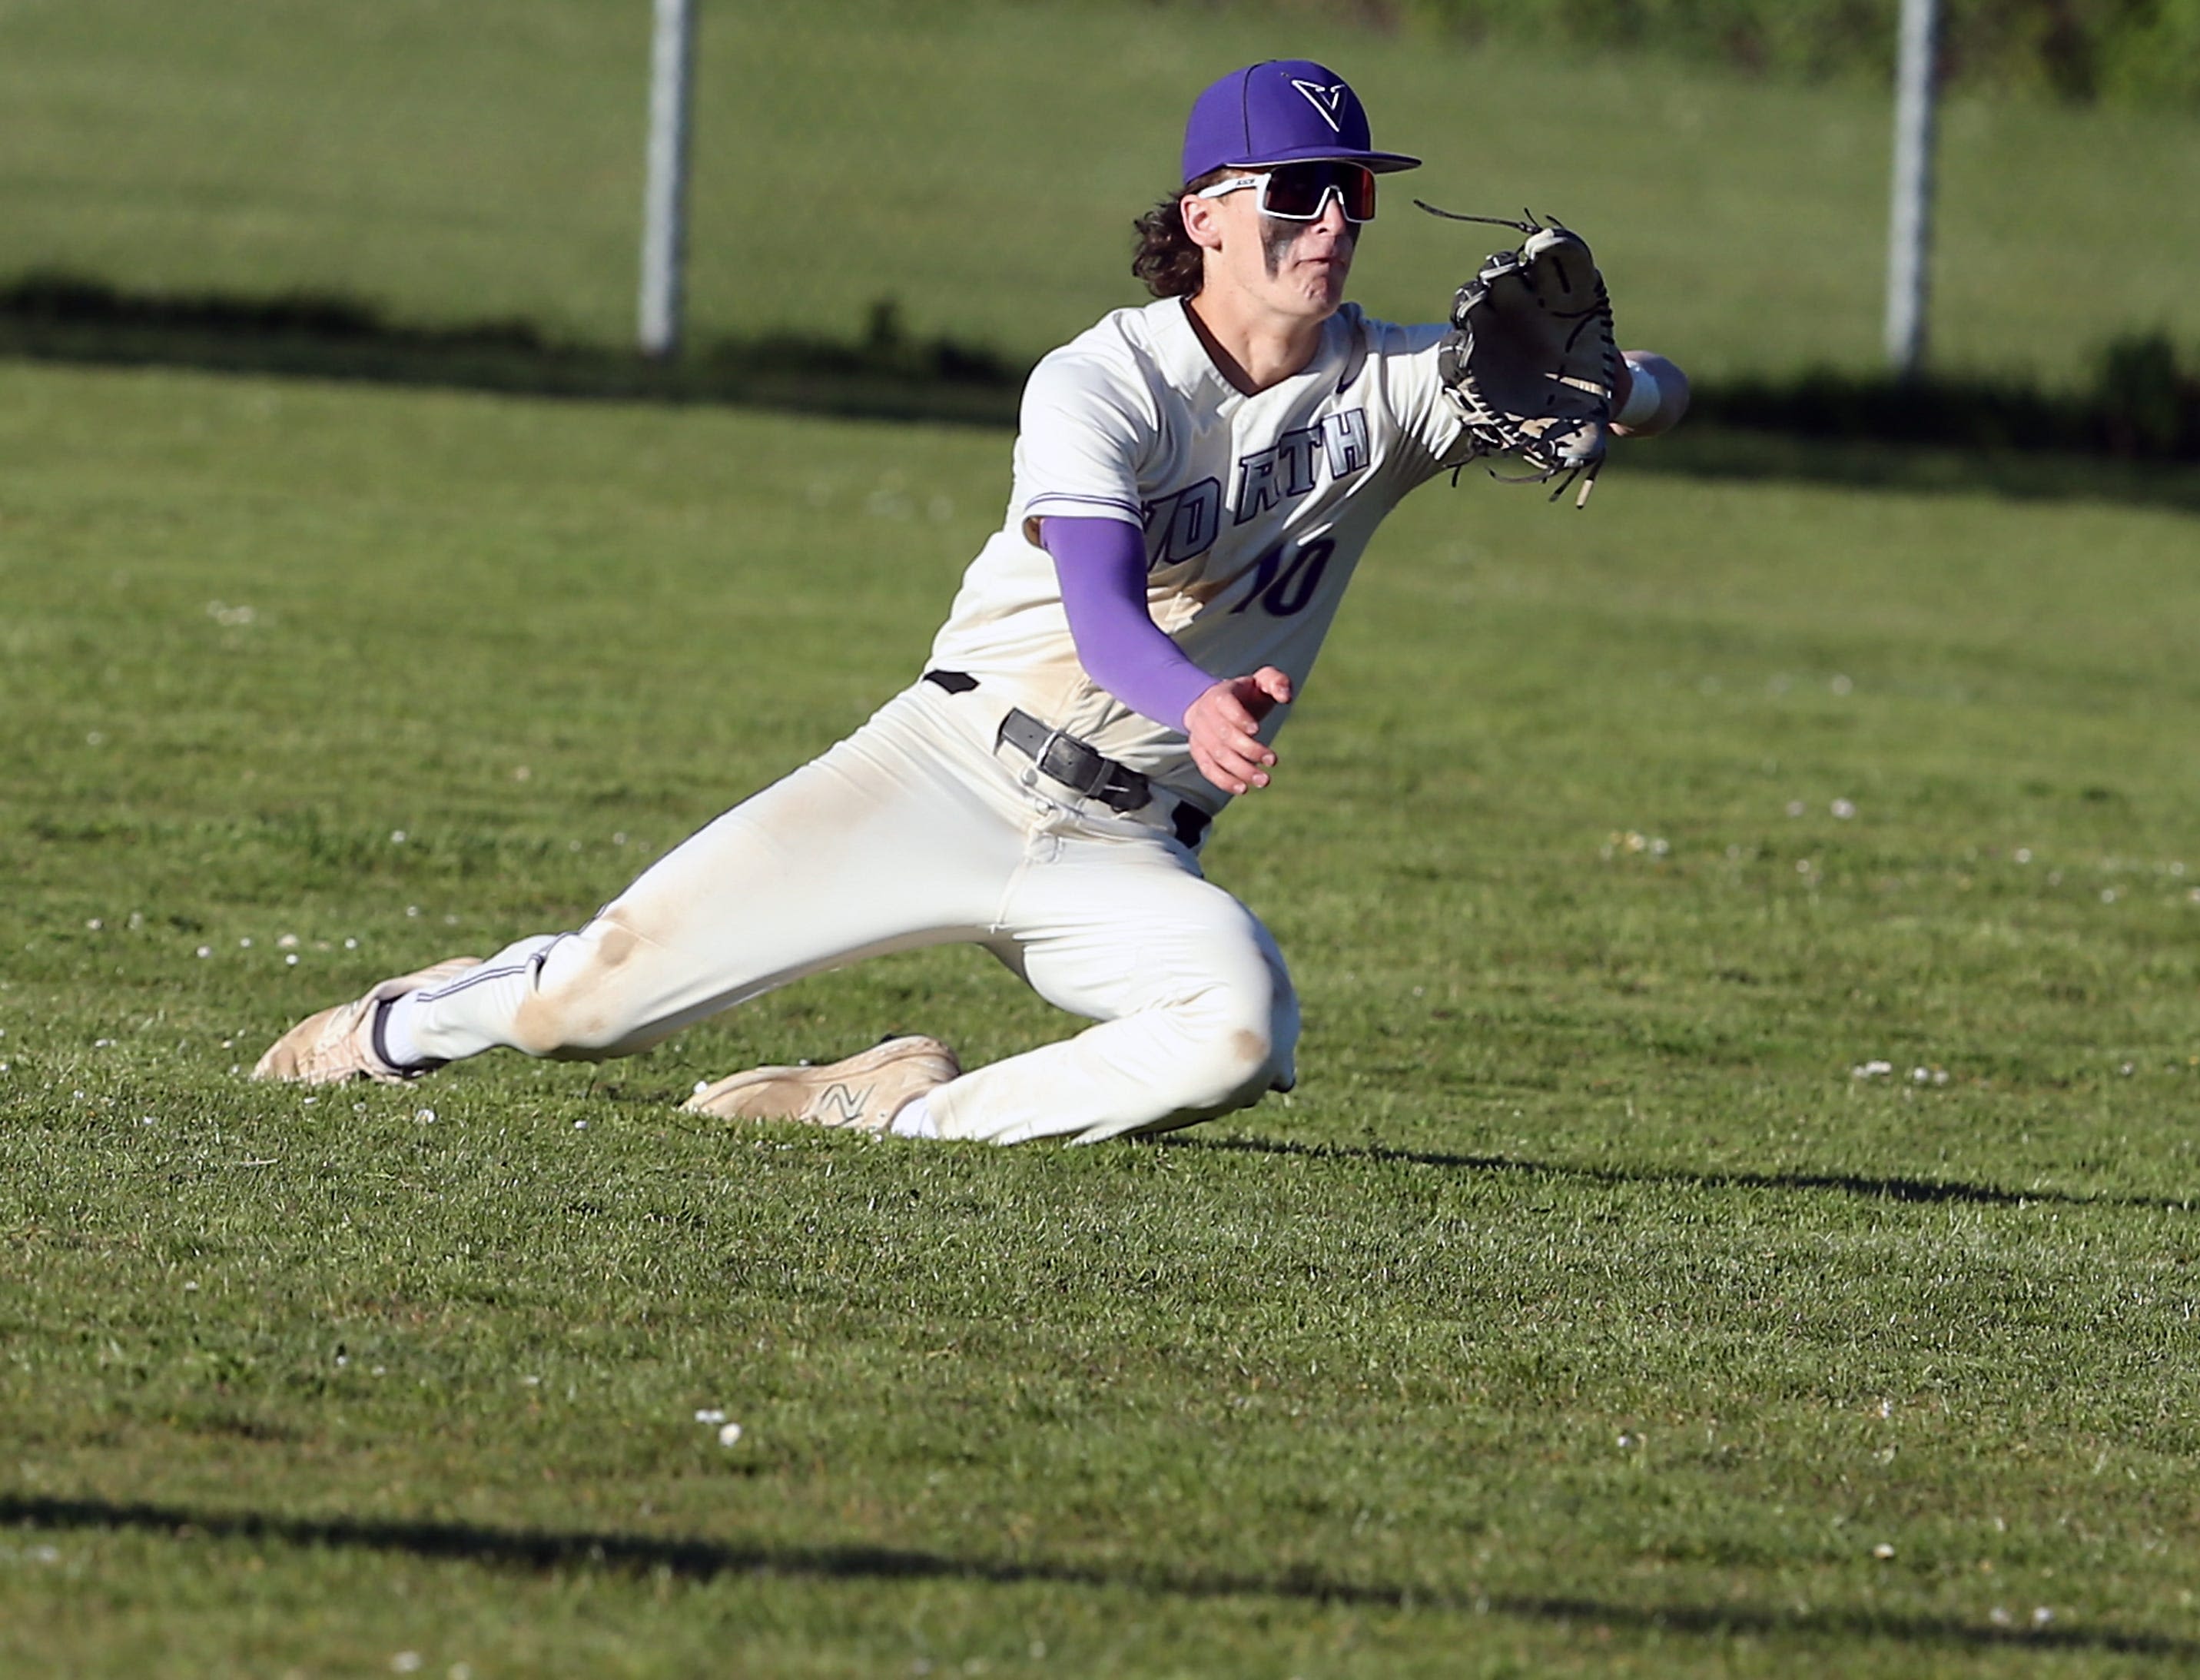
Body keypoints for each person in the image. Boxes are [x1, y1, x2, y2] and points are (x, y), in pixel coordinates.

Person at [253, 58, 1687, 1144]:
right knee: (588, 1009)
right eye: (1298, 191)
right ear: (1204, 217)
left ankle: (886, 1115)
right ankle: (400, 1022)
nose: (1333, 223)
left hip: (1126, 846)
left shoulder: (1400, 381)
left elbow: (1660, 399)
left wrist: (1619, 388)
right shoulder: (1100, 381)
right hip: (944, 769)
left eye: (1354, 193)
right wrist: (1197, 696)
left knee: (1246, 1031)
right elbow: (1103, 605)